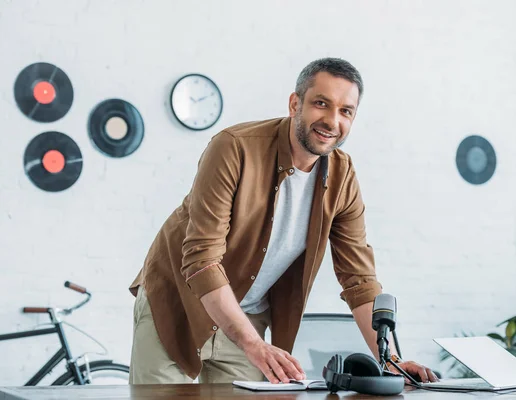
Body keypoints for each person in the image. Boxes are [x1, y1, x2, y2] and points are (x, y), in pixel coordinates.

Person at [128, 57, 439, 385]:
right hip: (179, 304)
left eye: (346, 111)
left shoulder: (343, 176)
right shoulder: (234, 148)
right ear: (295, 104)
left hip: (246, 317)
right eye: (321, 104)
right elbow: (201, 260)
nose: (332, 121)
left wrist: (390, 360)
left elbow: (358, 281)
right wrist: (255, 346)